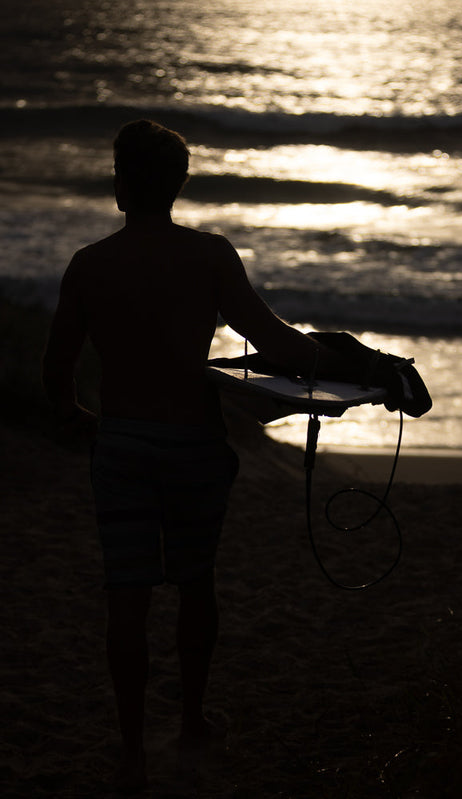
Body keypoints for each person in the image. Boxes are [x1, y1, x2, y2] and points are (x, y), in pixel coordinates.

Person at [41, 119, 350, 793]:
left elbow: (56, 366)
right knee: (194, 583)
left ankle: (130, 750)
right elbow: (277, 342)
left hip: (120, 442)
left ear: (121, 185)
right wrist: (364, 369)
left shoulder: (90, 264)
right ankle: (190, 722)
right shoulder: (210, 256)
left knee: (125, 597)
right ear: (178, 185)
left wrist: (74, 418)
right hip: (192, 445)